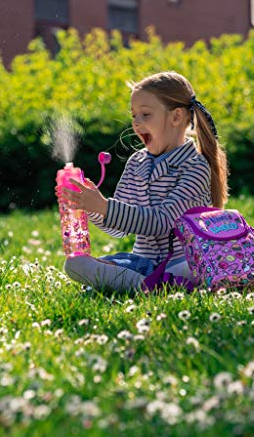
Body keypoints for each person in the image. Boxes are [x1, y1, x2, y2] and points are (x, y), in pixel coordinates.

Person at [59, 71, 228, 292]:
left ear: (176, 117)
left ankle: (135, 285)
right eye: (133, 115)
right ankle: (144, 284)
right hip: (142, 263)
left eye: (145, 115)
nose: (136, 123)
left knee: (190, 269)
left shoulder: (195, 167)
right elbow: (118, 229)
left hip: (182, 260)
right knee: (75, 264)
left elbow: (163, 221)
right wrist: (90, 206)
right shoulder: (136, 163)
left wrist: (104, 206)